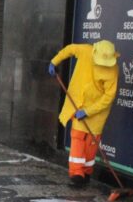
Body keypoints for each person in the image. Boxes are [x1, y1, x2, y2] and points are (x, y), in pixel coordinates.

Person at [48, 40, 119, 187]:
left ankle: (86, 172)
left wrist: (88, 111)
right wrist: (54, 62)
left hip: (97, 111)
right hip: (79, 104)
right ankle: (76, 174)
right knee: (78, 139)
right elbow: (69, 49)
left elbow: (108, 97)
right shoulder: (85, 51)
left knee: (92, 143)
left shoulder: (113, 70)